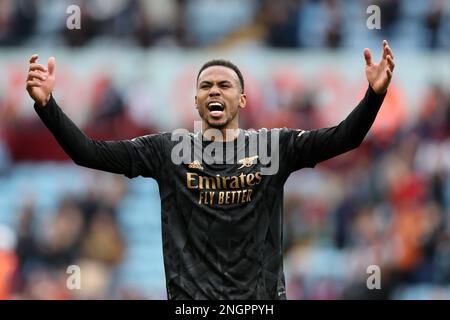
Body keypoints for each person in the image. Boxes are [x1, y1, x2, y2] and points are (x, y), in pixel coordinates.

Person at [25, 40, 395, 300]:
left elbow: (343, 139)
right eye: (206, 86)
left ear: (242, 99)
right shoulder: (167, 150)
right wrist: (47, 106)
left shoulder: (274, 146)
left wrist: (373, 96)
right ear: (196, 100)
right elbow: (88, 153)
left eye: (224, 85)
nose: (214, 91)